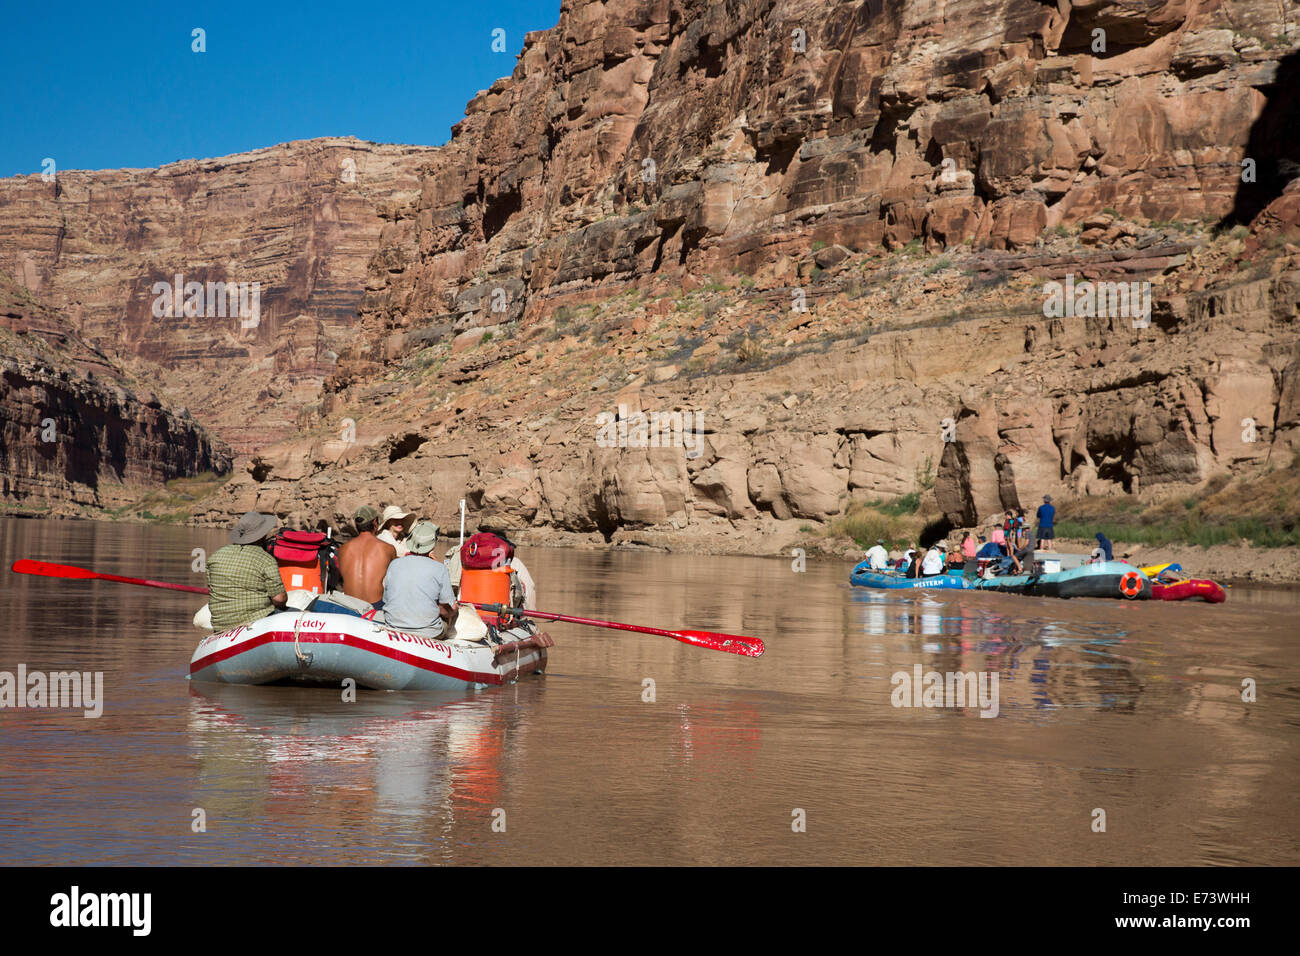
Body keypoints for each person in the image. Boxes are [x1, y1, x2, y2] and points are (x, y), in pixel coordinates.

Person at [206, 512, 288, 630]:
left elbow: (211, 589)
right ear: (262, 535)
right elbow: (279, 599)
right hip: (255, 621)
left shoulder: (215, 556)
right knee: (299, 612)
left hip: (220, 623)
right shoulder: (265, 560)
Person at [381, 521, 456, 638]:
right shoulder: (440, 569)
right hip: (429, 632)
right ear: (433, 544)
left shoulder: (394, 564)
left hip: (393, 626)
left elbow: (386, 600)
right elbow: (444, 610)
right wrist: (454, 612)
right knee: (451, 614)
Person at [337, 504, 396, 605]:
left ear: (356, 525)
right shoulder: (387, 549)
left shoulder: (343, 549)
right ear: (374, 522)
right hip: (374, 607)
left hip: (349, 607)